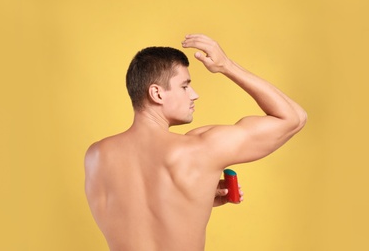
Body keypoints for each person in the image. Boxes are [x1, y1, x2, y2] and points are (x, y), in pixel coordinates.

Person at [84, 34, 307, 251]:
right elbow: (292, 118)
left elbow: (133, 214)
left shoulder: (96, 156)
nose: (194, 94)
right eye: (184, 86)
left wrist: (195, 199)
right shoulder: (201, 149)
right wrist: (226, 66)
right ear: (157, 93)